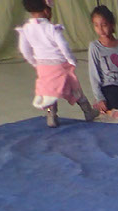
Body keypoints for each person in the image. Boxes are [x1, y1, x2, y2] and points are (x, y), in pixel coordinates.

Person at [15, 0, 99, 128]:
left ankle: (51, 115)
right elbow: (63, 46)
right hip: (60, 65)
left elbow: (24, 49)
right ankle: (88, 111)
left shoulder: (26, 29)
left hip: (42, 66)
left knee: (48, 91)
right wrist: (71, 59)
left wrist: (34, 62)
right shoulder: (51, 28)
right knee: (74, 87)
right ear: (46, 11)